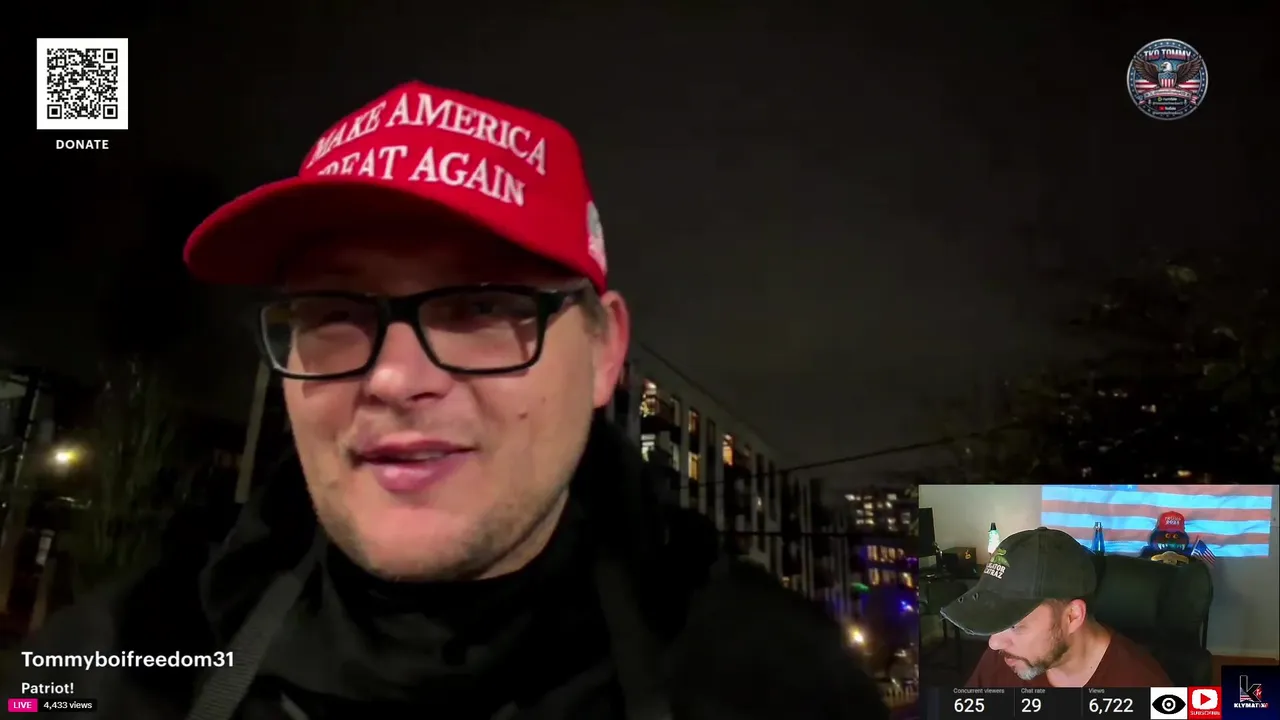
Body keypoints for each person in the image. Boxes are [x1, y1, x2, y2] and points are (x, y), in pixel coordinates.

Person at [6, 81, 888, 720]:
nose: (394, 379)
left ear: (603, 354)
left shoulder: (777, 687)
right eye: (336, 312)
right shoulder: (107, 663)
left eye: (482, 307)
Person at [941, 527, 1171, 688]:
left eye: (1014, 625)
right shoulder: (1003, 659)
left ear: (1072, 616)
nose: (994, 643)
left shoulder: (1145, 687)